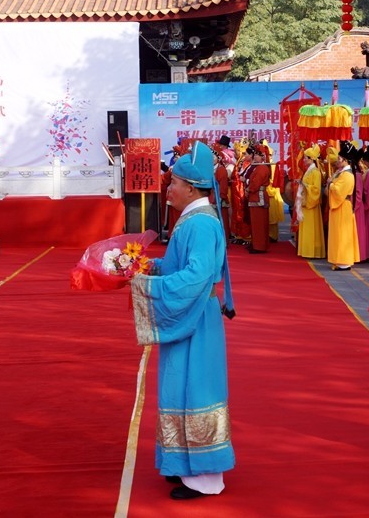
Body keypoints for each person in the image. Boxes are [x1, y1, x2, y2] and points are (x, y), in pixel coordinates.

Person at [131, 140, 236, 500]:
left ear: (191, 187)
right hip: (191, 317)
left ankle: (207, 476)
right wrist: (151, 268)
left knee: (198, 391)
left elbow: (196, 277)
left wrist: (148, 287)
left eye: (173, 182)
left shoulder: (201, 224)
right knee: (182, 389)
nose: (168, 186)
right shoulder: (196, 219)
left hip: (196, 320)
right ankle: (186, 465)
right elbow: (186, 270)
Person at [327, 143, 361, 270]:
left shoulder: (347, 175)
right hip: (340, 205)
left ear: (345, 160)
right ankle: (338, 259)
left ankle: (344, 261)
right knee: (338, 233)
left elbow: (338, 190)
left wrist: (331, 184)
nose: (337, 161)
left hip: (342, 205)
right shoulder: (342, 174)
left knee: (343, 234)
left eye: (340, 159)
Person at [296, 144, 326, 258]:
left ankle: (312, 251)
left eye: (306, 158)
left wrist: (304, 184)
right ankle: (306, 250)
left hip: (310, 204)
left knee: (311, 229)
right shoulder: (309, 171)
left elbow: (316, 190)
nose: (304, 160)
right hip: (306, 202)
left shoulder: (316, 172)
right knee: (307, 227)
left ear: (311, 159)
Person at [246, 143, 271, 253]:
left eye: (258, 155)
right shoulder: (259, 167)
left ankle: (259, 246)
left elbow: (255, 183)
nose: (255, 157)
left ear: (262, 157)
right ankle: (256, 244)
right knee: (256, 222)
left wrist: (248, 189)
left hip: (258, 197)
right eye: (255, 154)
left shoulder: (261, 168)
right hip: (255, 196)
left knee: (259, 223)